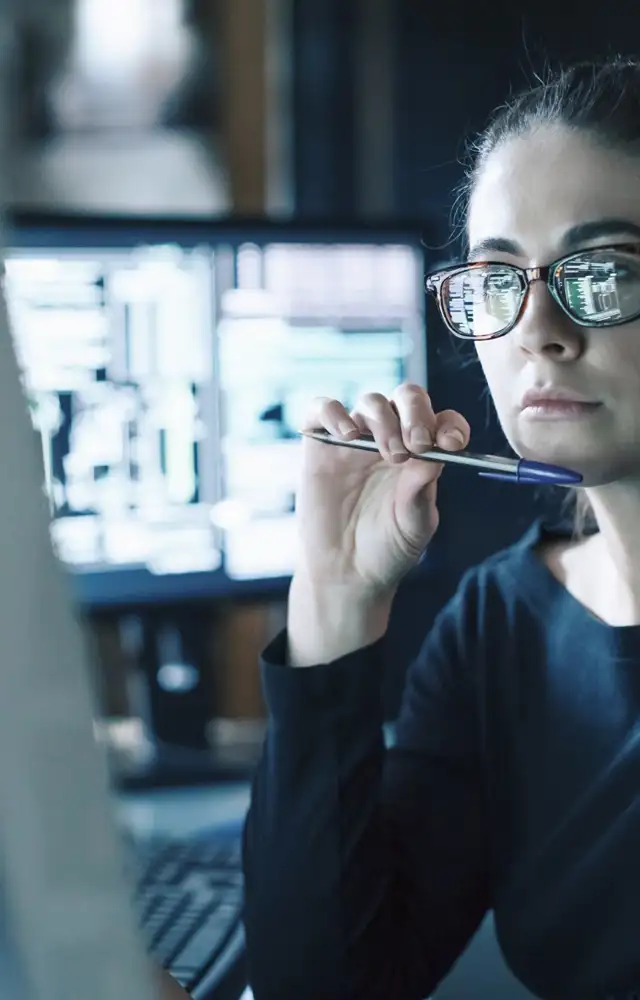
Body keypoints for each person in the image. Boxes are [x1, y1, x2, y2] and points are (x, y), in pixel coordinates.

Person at [242, 56, 640, 1000]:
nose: (538, 327)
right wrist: (335, 598)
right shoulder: (501, 625)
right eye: (497, 278)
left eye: (606, 270)